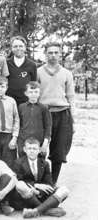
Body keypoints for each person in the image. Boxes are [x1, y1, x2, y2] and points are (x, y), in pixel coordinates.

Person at [37, 42, 75, 184]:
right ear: (45, 54)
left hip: (62, 113)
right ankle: (40, 182)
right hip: (44, 113)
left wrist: (73, 120)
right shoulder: (38, 72)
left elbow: (71, 96)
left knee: (59, 151)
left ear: (60, 54)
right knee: (40, 148)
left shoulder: (66, 73)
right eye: (50, 52)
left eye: (56, 52)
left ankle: (52, 183)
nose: (53, 55)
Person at [11, 138, 69, 218]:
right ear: (25, 149)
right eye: (29, 148)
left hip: (40, 195)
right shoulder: (18, 163)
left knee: (64, 190)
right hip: (25, 196)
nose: (32, 151)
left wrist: (38, 193)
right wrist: (35, 185)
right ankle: (46, 210)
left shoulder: (44, 164)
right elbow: (19, 180)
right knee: (20, 184)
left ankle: (36, 211)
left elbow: (49, 184)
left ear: (39, 150)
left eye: (34, 149)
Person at [0, 76, 19, 168]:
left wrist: (14, 137)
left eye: (2, 87)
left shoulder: (11, 101)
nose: (0, 89)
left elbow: (16, 120)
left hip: (8, 135)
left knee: (9, 161)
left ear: (6, 88)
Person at [18, 82, 52, 157]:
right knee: (23, 165)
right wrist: (19, 142)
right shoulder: (21, 107)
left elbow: (48, 126)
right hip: (24, 141)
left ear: (39, 93)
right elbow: (18, 125)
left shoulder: (44, 108)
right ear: (26, 93)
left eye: (36, 92)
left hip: (39, 142)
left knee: (39, 165)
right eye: (31, 92)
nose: (33, 94)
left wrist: (45, 142)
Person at [6, 36, 37, 105]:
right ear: (11, 48)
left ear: (25, 47)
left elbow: (33, 84)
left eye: (21, 46)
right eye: (15, 46)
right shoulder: (6, 63)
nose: (18, 48)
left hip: (26, 102)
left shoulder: (32, 65)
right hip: (9, 101)